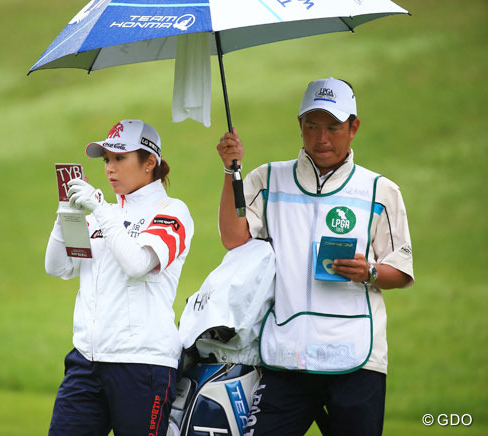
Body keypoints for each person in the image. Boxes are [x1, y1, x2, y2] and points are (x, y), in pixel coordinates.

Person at [216, 78, 414, 436]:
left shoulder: (379, 191)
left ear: (353, 128)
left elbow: (399, 270)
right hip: (286, 356)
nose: (322, 138)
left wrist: (368, 271)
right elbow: (234, 239)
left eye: (333, 127)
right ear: (300, 125)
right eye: (312, 126)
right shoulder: (268, 179)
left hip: (356, 357)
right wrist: (232, 170)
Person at [45, 119, 194, 436]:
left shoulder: (171, 211)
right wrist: (67, 213)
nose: (110, 168)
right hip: (86, 361)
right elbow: (57, 266)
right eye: (106, 160)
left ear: (149, 162)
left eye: (120, 158)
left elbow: (137, 263)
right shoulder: (103, 214)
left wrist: (99, 207)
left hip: (143, 364)